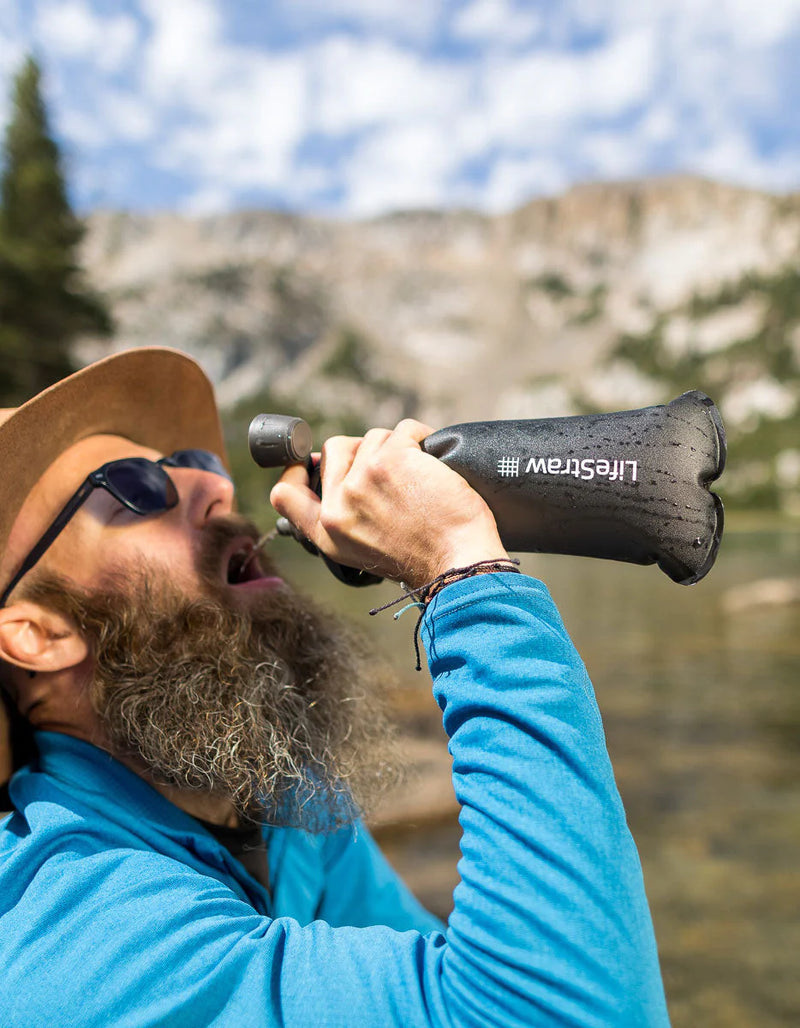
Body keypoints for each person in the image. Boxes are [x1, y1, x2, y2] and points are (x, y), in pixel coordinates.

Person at [0, 347, 670, 1027]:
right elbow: (572, 1010)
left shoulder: (277, 798)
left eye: (194, 463)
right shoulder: (76, 941)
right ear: (38, 634)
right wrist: (462, 570)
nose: (218, 487)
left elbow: (449, 972)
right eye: (134, 487)